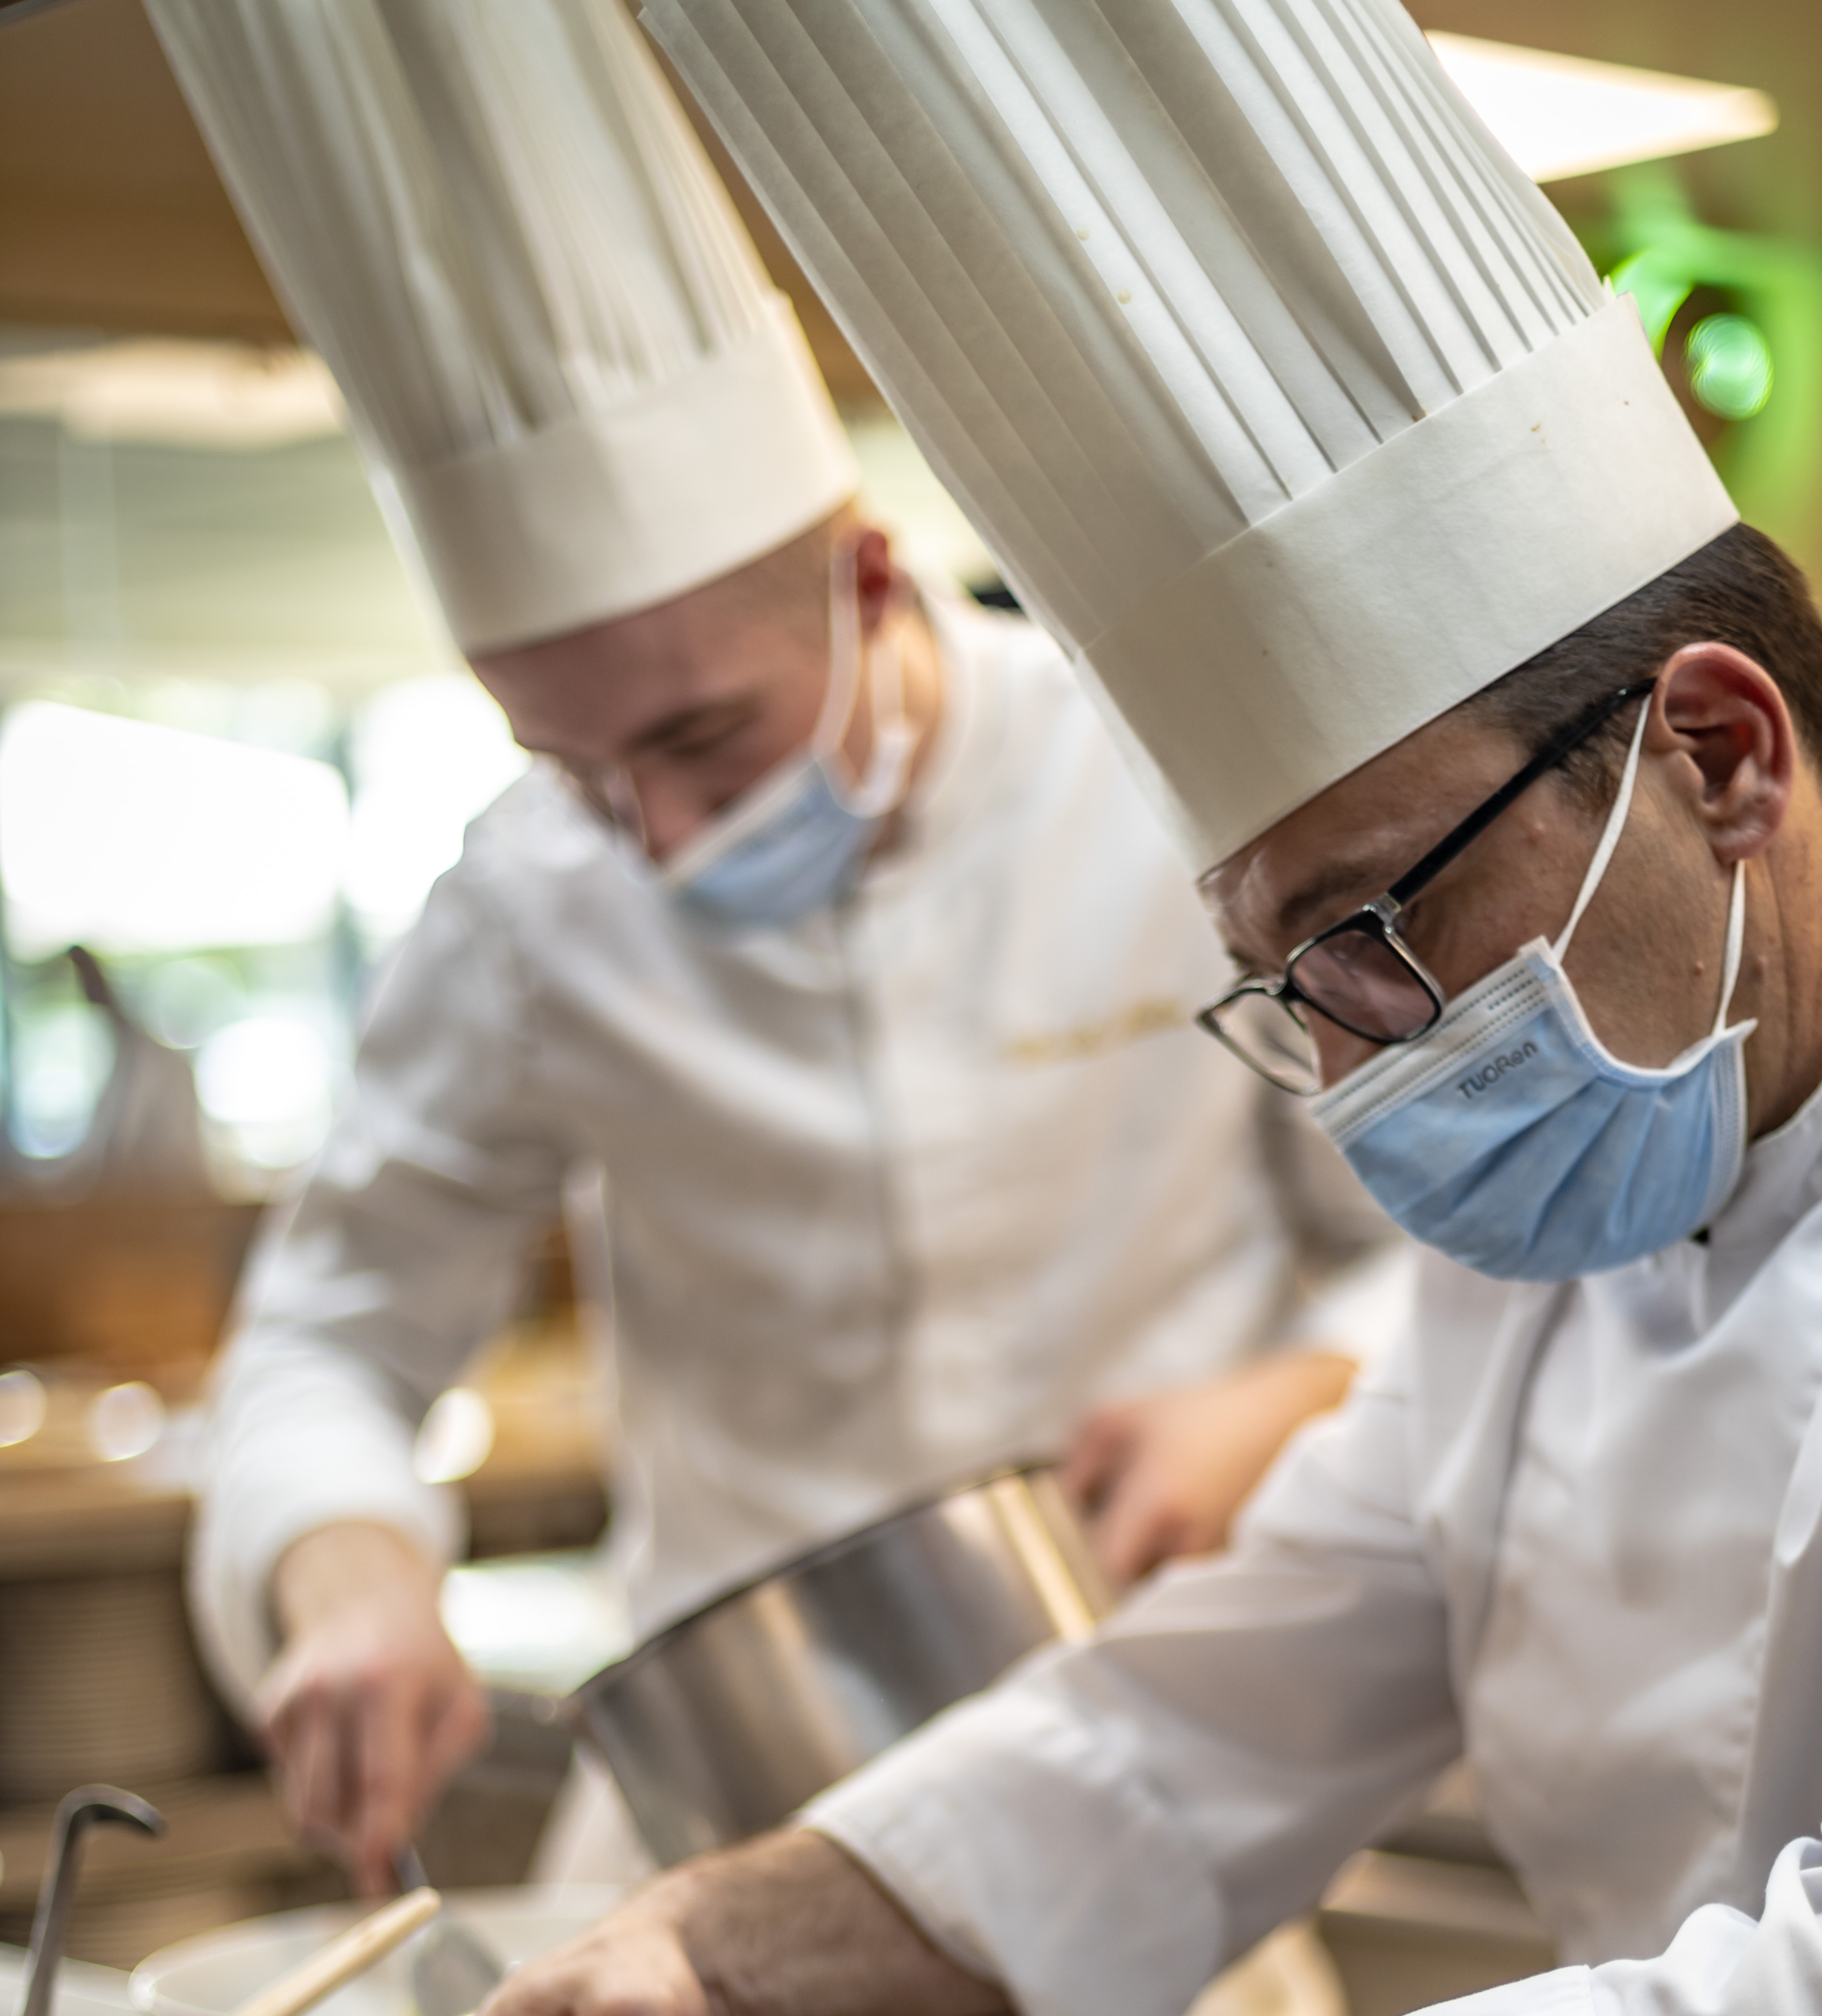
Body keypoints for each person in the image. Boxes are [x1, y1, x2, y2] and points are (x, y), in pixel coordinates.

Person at [438, 0, 1822, 2016]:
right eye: (1289, 980)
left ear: (1720, 755)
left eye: (1380, 925)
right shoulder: (1608, 1179)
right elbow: (1202, 1718)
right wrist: (697, 1936)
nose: (1358, 1065)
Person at [156, 0, 1399, 1895]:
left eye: (698, 741)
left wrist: (1286, 1402)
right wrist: (350, 1576)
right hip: (717, 1805)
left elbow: (1424, 1249)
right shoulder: (526, 904)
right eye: (572, 768)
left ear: (868, 580)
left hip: (1149, 1753)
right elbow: (334, 1330)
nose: (653, 837)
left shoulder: (1163, 790)